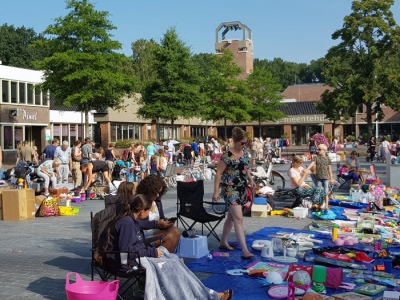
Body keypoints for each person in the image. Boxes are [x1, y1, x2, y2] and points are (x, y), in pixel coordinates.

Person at [97, 194, 233, 300]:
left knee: (176, 261)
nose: (149, 214)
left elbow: (137, 238)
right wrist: (152, 252)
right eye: (149, 211)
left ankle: (205, 294)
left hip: (135, 257)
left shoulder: (131, 220)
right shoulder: (127, 224)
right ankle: (200, 296)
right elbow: (126, 252)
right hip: (125, 264)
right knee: (172, 266)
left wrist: (156, 230)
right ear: (142, 211)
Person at [212, 127, 257, 259]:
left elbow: (245, 169)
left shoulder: (244, 154)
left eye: (245, 143)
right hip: (230, 189)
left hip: (242, 188)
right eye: (242, 143)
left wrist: (251, 180)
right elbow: (218, 173)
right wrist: (216, 191)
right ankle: (245, 251)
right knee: (238, 218)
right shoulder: (227, 156)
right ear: (235, 141)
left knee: (231, 217)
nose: (244, 146)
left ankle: (223, 241)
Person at [136, 175, 181, 253]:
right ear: (149, 191)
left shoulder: (157, 201)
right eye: (156, 193)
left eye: (159, 193)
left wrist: (166, 222)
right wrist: (156, 224)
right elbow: (134, 223)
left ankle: (169, 257)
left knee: (176, 231)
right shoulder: (140, 201)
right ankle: (163, 259)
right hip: (142, 234)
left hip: (156, 230)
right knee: (169, 236)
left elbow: (161, 217)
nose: (158, 195)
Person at [312, 144, 334, 210]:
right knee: (319, 191)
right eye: (318, 149)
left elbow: (329, 169)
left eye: (319, 149)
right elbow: (312, 163)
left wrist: (331, 178)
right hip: (318, 177)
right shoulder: (316, 158)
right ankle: (320, 205)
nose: (318, 151)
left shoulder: (327, 159)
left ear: (324, 150)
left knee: (326, 192)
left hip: (325, 177)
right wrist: (308, 169)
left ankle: (326, 205)